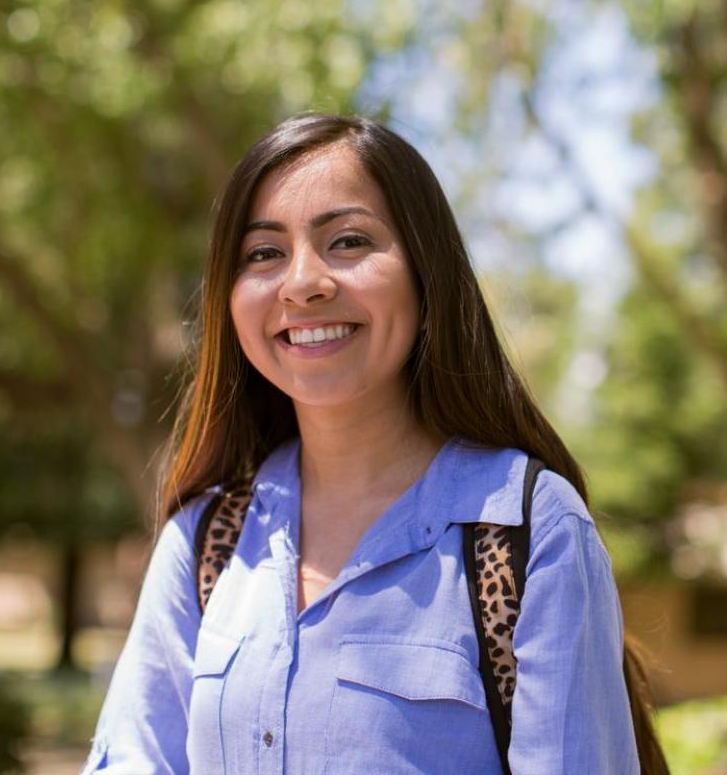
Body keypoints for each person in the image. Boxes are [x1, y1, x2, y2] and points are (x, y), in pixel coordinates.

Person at [82, 113, 667, 775]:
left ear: (426, 274)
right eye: (264, 253)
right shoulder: (205, 540)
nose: (303, 282)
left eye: (349, 240)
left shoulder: (527, 531)